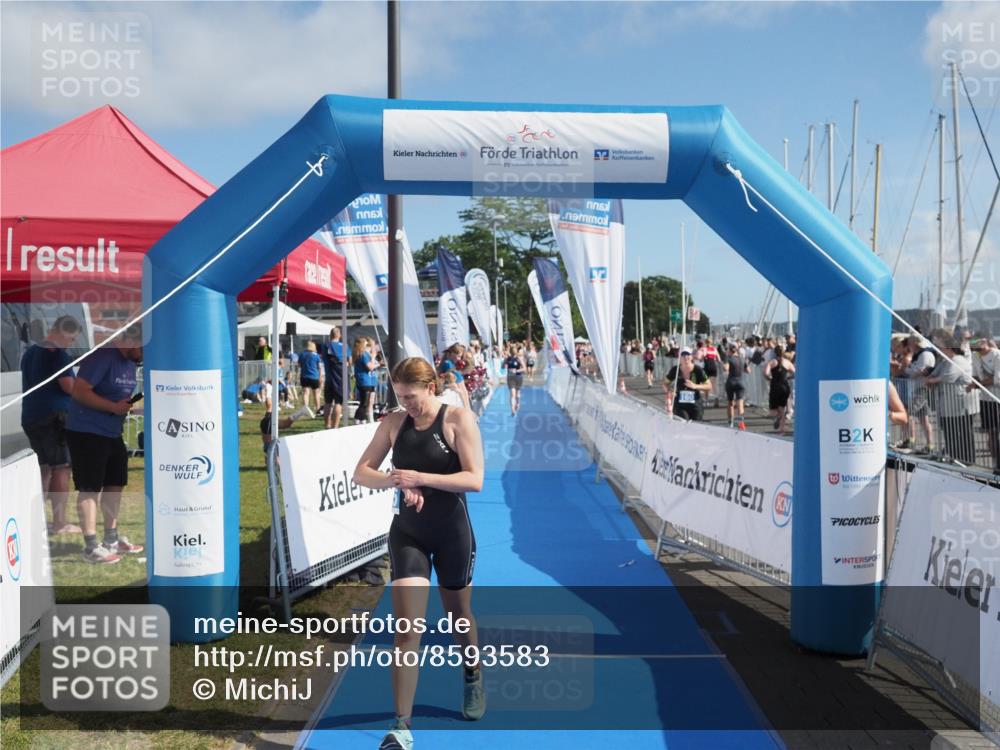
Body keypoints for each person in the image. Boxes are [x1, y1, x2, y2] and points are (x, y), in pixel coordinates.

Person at [353, 357, 486, 749]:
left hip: (452, 534)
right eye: (399, 396)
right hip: (408, 533)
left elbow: (475, 479)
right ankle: (401, 726)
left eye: (410, 396)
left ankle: (472, 673)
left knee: (458, 615)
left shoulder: (457, 420)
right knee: (407, 630)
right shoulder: (394, 423)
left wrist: (421, 478)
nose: (405, 403)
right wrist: (395, 479)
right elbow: (361, 471)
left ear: (430, 387)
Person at [65, 327, 145, 563]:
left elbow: (117, 399)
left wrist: (129, 407)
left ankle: (111, 539)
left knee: (115, 485)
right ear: (130, 339)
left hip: (112, 433)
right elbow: (79, 392)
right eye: (142, 349)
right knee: (89, 488)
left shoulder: (130, 362)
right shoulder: (102, 357)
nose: (143, 356)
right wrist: (112, 407)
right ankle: (91, 547)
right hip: (86, 432)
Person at [20, 315, 83, 535]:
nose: (72, 343)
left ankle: (36, 519)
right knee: (61, 468)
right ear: (63, 331)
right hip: (53, 417)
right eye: (72, 338)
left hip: (31, 415)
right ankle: (59, 522)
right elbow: (68, 386)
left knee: (44, 469)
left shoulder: (30, 353)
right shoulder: (58, 354)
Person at [969, 336, 1000, 473]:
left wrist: (977, 384)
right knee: (991, 432)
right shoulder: (975, 356)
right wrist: (973, 383)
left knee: (996, 433)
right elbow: (975, 375)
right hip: (986, 399)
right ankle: (995, 464)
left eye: (976, 342)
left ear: (984, 341)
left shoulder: (997, 355)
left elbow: (997, 379)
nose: (973, 346)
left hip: (997, 398)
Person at [664, 348, 712, 421]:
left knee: (696, 427)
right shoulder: (675, 370)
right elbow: (665, 383)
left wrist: (695, 386)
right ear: (679, 357)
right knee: (683, 424)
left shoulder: (698, 370)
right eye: (683, 355)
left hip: (695, 405)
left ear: (691, 356)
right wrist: (669, 391)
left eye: (688, 354)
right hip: (680, 405)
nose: (686, 357)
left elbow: (709, 386)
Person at [322, 326, 349, 429]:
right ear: (339, 335)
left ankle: (327, 425)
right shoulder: (344, 346)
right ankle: (335, 426)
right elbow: (349, 361)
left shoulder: (326, 346)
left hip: (329, 377)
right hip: (340, 379)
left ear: (331, 335)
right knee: (338, 402)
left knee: (328, 402)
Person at [764, 345, 795, 435]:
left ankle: (776, 416)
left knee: (773, 409)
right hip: (784, 386)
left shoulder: (772, 362)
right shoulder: (788, 362)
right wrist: (788, 377)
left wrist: (769, 378)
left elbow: (766, 373)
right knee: (783, 409)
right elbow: (795, 373)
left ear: (774, 352)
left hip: (775, 386)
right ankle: (781, 430)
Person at [353, 337, 379, 423]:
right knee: (364, 403)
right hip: (365, 381)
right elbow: (370, 367)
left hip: (368, 381)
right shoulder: (363, 354)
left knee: (365, 402)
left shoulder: (363, 354)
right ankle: (358, 419)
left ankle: (361, 419)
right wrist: (373, 358)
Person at [723, 343, 747, 430]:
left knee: (730, 403)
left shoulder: (729, 359)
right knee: (740, 403)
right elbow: (748, 370)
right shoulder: (742, 359)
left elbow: (725, 368)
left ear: (729, 350)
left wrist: (725, 363)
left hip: (731, 382)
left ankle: (731, 422)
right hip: (740, 382)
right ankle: (741, 422)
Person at [298, 340, 323, 414]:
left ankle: (306, 409)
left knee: (306, 393)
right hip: (314, 376)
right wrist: (320, 376)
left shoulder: (302, 354)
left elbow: (299, 365)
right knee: (316, 393)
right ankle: (318, 409)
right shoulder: (316, 355)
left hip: (304, 376)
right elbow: (319, 367)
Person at [504, 346, 525, 416]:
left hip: (518, 377)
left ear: (516, 351)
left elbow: (524, 369)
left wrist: (516, 370)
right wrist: (505, 362)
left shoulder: (519, 359)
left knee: (517, 394)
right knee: (512, 394)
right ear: (510, 351)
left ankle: (518, 403)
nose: (513, 352)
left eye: (514, 350)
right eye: (512, 350)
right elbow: (502, 366)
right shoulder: (508, 358)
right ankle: (513, 409)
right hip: (510, 378)